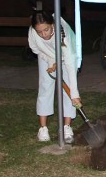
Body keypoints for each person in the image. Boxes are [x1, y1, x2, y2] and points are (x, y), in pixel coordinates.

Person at [28, 10, 80, 143]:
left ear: (52, 24)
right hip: (46, 56)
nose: (43, 34)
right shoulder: (33, 33)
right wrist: (51, 61)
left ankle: (67, 127)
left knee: (68, 90)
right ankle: (43, 128)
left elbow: (70, 66)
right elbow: (35, 49)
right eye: (39, 31)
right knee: (45, 88)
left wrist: (74, 94)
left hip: (66, 57)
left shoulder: (64, 36)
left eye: (46, 30)